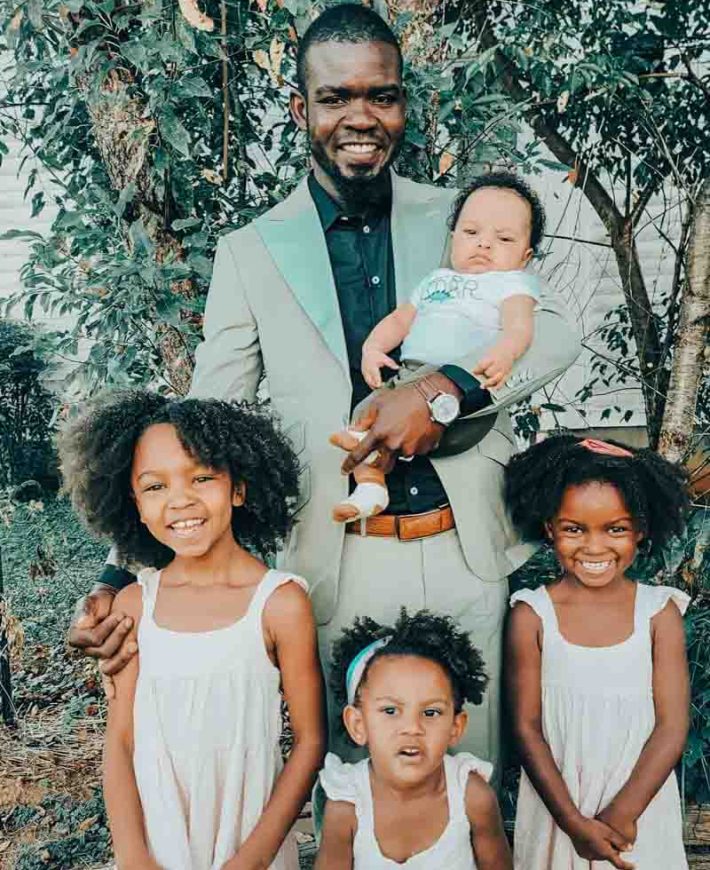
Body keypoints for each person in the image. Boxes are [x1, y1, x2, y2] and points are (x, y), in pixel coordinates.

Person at [67, 4, 580, 774]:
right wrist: (121, 570)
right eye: (336, 97)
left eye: (381, 95)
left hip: (463, 548)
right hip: (336, 560)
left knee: (467, 784)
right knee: (348, 791)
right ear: (301, 109)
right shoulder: (250, 253)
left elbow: (557, 332)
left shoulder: (462, 220)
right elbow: (203, 425)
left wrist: (442, 392)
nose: (361, 117)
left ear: (403, 105)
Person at [59, 392, 325, 870]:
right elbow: (120, 743)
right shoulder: (135, 605)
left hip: (249, 846)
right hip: (157, 848)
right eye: (155, 486)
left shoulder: (280, 604)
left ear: (238, 488)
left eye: (201, 477)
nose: (180, 499)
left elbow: (309, 742)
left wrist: (251, 860)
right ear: (135, 505)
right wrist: (134, 859)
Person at [504, 435, 691, 870]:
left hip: (639, 809)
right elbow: (526, 729)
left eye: (615, 529)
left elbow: (672, 727)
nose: (594, 547)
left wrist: (622, 814)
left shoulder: (658, 613)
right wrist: (573, 823)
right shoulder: (532, 615)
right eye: (574, 528)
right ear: (549, 527)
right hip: (559, 810)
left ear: (640, 530)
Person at [331, 171, 544, 522]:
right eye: (471, 233)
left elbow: (520, 325)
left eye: (504, 238)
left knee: (381, 426)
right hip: (407, 373)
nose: (484, 244)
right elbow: (401, 320)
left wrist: (506, 351)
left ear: (525, 256)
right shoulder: (436, 280)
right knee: (368, 411)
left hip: (454, 384)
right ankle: (371, 488)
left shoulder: (511, 284)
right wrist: (373, 348)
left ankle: (369, 452)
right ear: (453, 237)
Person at [315, 609, 512, 869]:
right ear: (357, 724)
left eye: (430, 713)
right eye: (390, 711)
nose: (412, 728)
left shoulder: (472, 797)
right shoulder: (347, 805)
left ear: (455, 727)